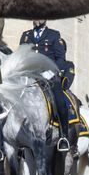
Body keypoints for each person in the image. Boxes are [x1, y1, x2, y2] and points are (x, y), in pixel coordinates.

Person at [19, 20, 76, 151]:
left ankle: (64, 136)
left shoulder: (54, 35)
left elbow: (61, 59)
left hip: (49, 77)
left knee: (60, 101)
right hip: (30, 76)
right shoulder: (26, 36)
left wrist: (50, 72)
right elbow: (20, 57)